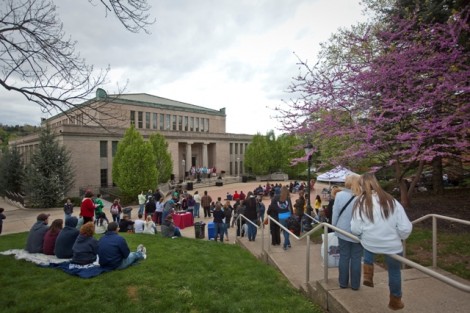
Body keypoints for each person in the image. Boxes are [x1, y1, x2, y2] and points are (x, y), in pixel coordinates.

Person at [351, 173, 412, 310]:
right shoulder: (392, 201)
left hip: (370, 243)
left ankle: (368, 272)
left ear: (361, 186)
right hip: (392, 245)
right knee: (395, 271)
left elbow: (355, 229)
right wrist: (399, 236)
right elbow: (405, 227)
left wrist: (364, 233)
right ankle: (395, 300)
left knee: (365, 240)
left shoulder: (360, 203)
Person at [332, 174, 362, 290]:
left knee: (344, 256)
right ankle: (355, 284)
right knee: (356, 258)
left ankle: (343, 283)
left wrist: (334, 227)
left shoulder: (340, 195)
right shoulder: (362, 196)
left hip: (342, 230)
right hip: (358, 232)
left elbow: (335, 213)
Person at [271, 186, 293, 250]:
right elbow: (290, 208)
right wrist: (292, 215)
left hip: (281, 216)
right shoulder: (288, 198)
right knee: (287, 231)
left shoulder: (276, 197)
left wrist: (278, 210)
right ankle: (286, 244)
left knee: (284, 230)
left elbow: (272, 206)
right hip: (288, 215)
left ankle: (287, 244)